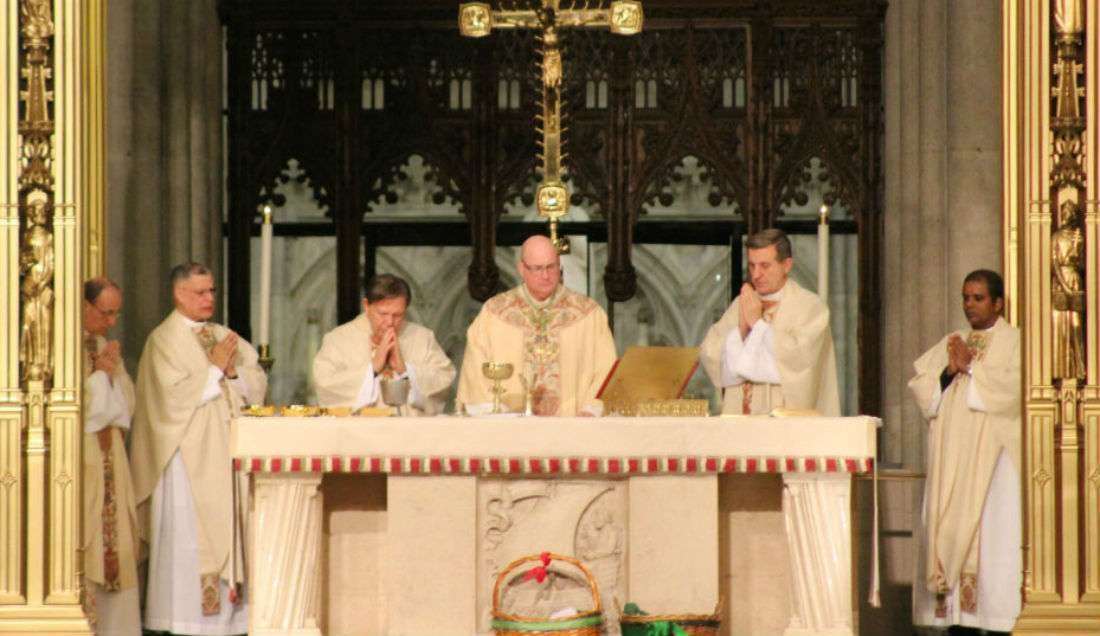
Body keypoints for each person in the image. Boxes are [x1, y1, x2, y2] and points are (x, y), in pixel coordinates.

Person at [129, 262, 266, 634]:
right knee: (188, 541)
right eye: (200, 292)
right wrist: (215, 370)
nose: (209, 299)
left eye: (212, 291)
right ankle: (186, 622)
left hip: (224, 456)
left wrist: (233, 372)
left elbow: (254, 386)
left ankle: (229, 623)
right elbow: (167, 401)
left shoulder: (222, 335)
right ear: (178, 294)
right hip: (184, 463)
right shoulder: (164, 340)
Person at [909, 269, 1021, 634]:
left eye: (978, 298)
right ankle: (956, 618)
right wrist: (948, 371)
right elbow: (922, 386)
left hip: (992, 464)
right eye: (965, 297)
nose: (969, 305)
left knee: (991, 540)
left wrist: (972, 369)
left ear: (998, 302)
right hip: (951, 460)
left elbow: (1015, 389)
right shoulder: (952, 340)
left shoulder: (1015, 342)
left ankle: (993, 620)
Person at [457, 235, 617, 416]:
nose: (546, 275)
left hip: (573, 430)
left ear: (560, 266)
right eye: (537, 268)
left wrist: (591, 409)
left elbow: (606, 370)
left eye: (551, 267)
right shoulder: (494, 314)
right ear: (521, 269)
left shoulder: (589, 315)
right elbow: (476, 373)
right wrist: (497, 414)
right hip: (511, 433)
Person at [700, 228, 839, 416]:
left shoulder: (810, 307)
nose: (756, 275)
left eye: (764, 266)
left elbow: (800, 364)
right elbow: (710, 354)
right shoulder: (741, 305)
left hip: (786, 428)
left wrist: (757, 324)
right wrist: (741, 329)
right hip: (739, 424)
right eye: (751, 266)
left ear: (787, 265)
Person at [81, 278, 140, 635]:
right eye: (106, 313)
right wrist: (101, 376)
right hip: (80, 462)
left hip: (111, 458)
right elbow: (88, 414)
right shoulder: (63, 348)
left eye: (116, 313)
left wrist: (110, 376)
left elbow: (124, 410)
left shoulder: (104, 347)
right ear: (85, 308)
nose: (111, 322)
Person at [313, 274, 455, 414]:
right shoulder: (338, 339)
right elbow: (325, 383)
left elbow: (445, 377)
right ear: (367, 306)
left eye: (397, 315)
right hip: (358, 433)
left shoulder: (423, 338)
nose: (390, 322)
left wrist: (405, 370)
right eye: (383, 314)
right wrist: (373, 369)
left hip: (410, 433)